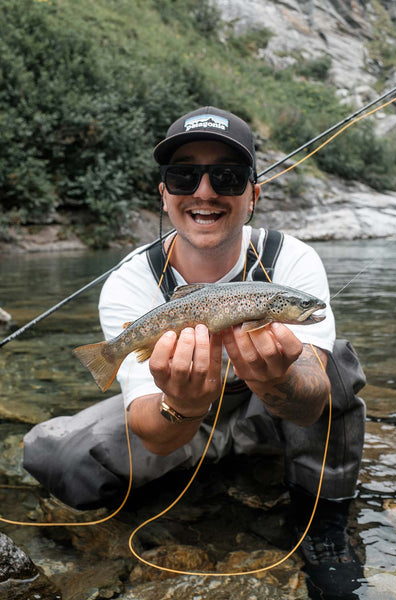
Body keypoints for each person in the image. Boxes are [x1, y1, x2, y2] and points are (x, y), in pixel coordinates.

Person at [23, 106, 365, 597]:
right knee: (59, 457)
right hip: (181, 409)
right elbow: (152, 431)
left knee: (340, 366)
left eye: (226, 177)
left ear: (254, 194)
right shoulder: (130, 280)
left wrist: (276, 379)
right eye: (184, 176)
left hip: (262, 405)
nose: (204, 192)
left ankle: (324, 520)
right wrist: (181, 405)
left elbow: (311, 400)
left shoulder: (292, 259)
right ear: (164, 194)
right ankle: (202, 470)